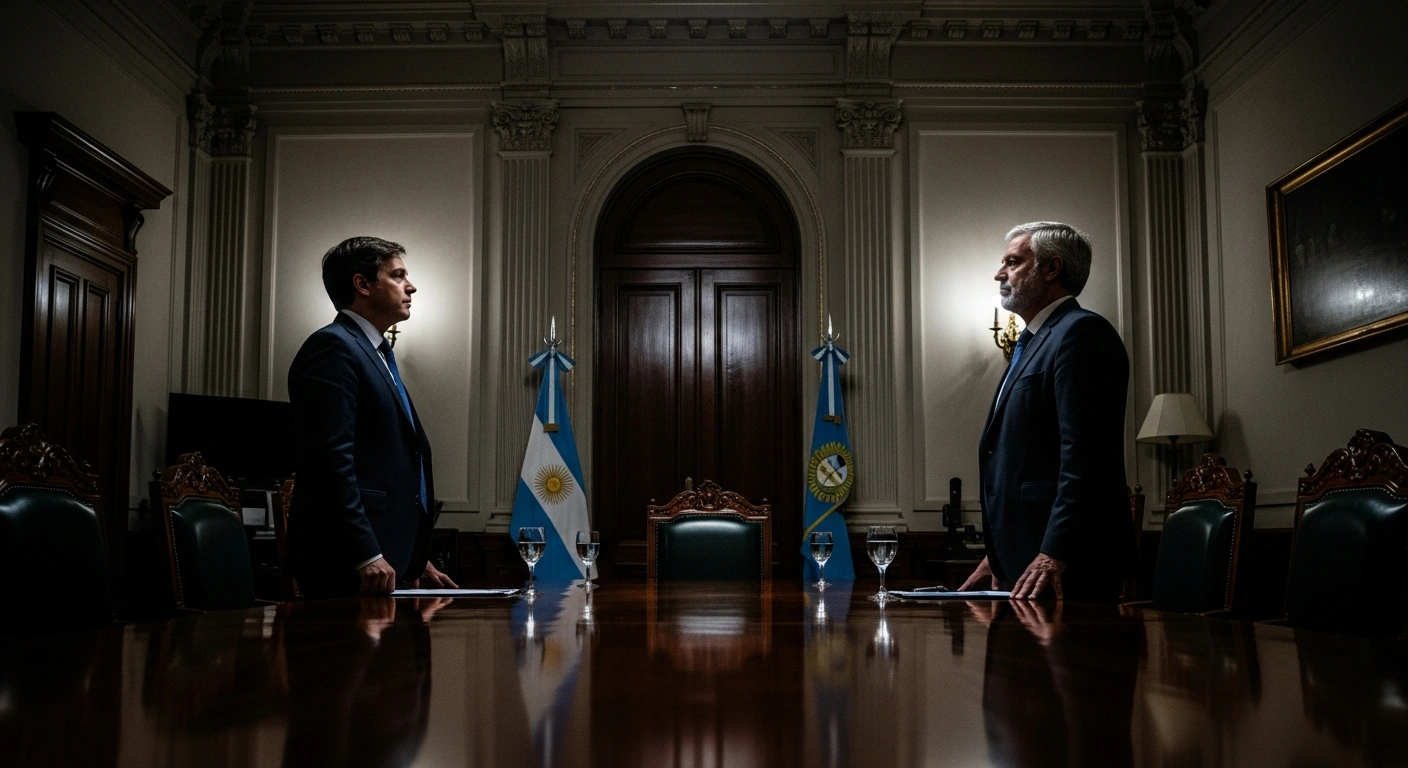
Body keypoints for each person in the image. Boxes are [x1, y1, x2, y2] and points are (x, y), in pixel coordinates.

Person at [960, 222, 1135, 601]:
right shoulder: (1036, 341)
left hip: (1067, 566)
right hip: (1024, 558)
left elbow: (1084, 457)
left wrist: (1055, 550)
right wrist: (998, 553)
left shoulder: (1081, 333)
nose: (998, 273)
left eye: (1013, 261)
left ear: (1051, 268)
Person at [286, 236, 457, 597]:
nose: (411, 286)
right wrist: (366, 553)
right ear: (362, 284)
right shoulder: (333, 347)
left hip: (390, 561)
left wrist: (414, 555)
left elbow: (388, 461)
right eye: (397, 276)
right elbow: (330, 463)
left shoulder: (375, 351)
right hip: (350, 566)